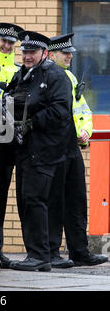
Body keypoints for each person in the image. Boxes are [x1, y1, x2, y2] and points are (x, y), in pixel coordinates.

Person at [4, 31, 73, 271]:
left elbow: (60, 110)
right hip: (24, 148)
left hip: (45, 149)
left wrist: (33, 121)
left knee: (35, 200)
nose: (27, 56)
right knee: (28, 201)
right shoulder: (23, 74)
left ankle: (40, 255)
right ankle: (41, 254)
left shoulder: (55, 76)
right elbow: (11, 98)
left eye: (32, 52)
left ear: (45, 53)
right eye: (24, 52)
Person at [48, 33, 108, 267]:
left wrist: (85, 133)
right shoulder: (48, 76)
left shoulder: (70, 76)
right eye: (66, 53)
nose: (70, 56)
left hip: (72, 147)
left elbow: (82, 110)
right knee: (54, 201)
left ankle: (79, 251)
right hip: (55, 148)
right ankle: (52, 251)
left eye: (71, 52)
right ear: (52, 54)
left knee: (76, 201)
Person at [0, 23, 24, 268]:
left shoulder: (18, 70)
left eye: (10, 43)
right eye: (3, 41)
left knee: (1, 196)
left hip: (9, 140)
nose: (6, 46)